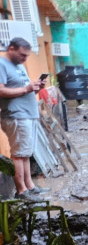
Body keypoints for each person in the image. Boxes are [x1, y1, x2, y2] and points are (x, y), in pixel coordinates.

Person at [0, 37, 48, 201]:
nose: (24, 59)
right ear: (11, 48)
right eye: (22, 55)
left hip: (27, 114)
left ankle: (30, 187)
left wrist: (34, 88)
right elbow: (1, 91)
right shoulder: (2, 64)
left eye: (27, 56)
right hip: (16, 115)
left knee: (26, 153)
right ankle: (21, 190)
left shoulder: (19, 66)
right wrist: (26, 88)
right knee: (19, 154)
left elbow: (22, 91)